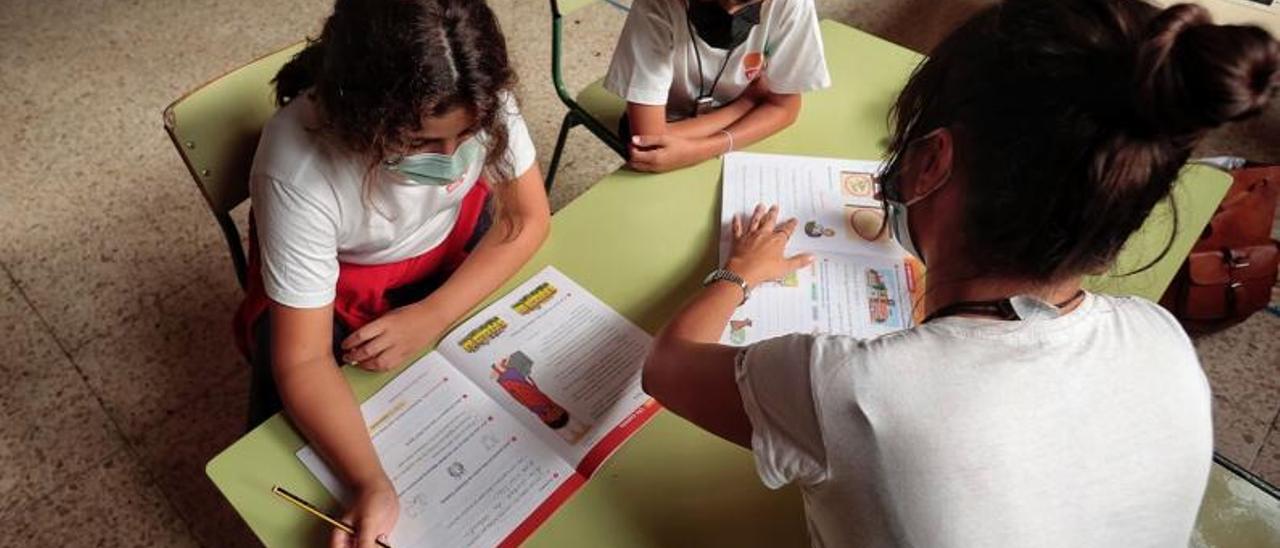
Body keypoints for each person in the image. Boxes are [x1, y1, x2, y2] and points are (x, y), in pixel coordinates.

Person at [643, 0, 1279, 545]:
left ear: (930, 163)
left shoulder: (856, 390)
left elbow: (668, 365)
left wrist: (740, 274)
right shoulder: (1164, 343)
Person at [231, 1, 550, 546]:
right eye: (422, 143)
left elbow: (526, 217)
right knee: (289, 451)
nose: (450, 159)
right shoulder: (298, 164)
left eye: (466, 136)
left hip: (446, 254)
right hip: (337, 295)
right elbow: (304, 358)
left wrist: (432, 315)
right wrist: (369, 482)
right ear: (362, 117)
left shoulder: (479, 95)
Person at [604, 0, 830, 172]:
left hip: (700, 134)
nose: (731, 11)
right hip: (678, 119)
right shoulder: (657, 6)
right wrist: (747, 104)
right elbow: (649, 142)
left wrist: (702, 149)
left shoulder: (789, 4)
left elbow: (786, 107)